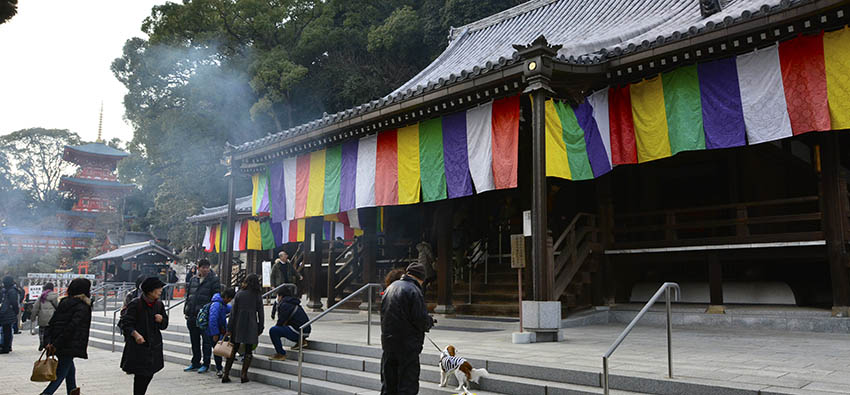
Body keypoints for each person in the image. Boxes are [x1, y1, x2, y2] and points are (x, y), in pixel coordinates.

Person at [380, 262, 435, 395]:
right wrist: (429, 322)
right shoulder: (414, 290)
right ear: (421, 278)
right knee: (407, 384)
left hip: (388, 343)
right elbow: (420, 319)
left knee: (389, 384)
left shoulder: (390, 288)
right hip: (407, 345)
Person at [118, 277, 169, 395]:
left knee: (148, 374)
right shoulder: (136, 304)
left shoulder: (159, 305)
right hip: (139, 347)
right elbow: (125, 323)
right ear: (150, 290)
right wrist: (135, 334)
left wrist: (161, 320)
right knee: (141, 375)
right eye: (158, 288)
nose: (161, 290)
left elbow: (164, 325)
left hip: (154, 346)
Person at [41, 278, 92, 395]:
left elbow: (52, 323)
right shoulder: (83, 306)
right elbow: (72, 328)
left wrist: (49, 342)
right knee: (60, 373)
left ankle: (72, 390)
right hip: (68, 344)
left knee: (69, 368)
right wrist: (56, 343)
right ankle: (46, 393)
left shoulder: (64, 302)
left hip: (58, 342)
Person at [222, 274, 263, 384]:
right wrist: (261, 327)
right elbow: (261, 313)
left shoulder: (239, 294)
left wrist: (229, 328)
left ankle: (226, 373)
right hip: (251, 324)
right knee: (248, 350)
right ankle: (244, 375)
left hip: (238, 324)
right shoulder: (257, 295)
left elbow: (233, 313)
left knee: (234, 348)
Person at [183, 259, 220, 373]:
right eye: (203, 267)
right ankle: (195, 362)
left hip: (204, 317)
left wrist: (210, 313)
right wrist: (186, 310)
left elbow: (216, 298)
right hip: (192, 315)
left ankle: (206, 363)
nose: (205, 269)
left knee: (206, 342)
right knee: (194, 341)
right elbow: (189, 296)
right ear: (198, 268)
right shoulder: (193, 280)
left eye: (207, 267)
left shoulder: (214, 280)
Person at [268, 286, 310, 361]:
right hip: (305, 331)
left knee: (273, 331)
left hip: (299, 332)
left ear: (280, 296)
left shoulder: (284, 304)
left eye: (277, 296)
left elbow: (280, 322)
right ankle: (302, 341)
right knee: (288, 325)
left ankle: (281, 354)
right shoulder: (292, 302)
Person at [204, 287, 235, 377]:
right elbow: (212, 320)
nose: (229, 301)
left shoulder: (222, 304)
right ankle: (219, 369)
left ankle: (222, 367)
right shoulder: (216, 305)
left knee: (221, 348)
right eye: (229, 299)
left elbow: (230, 309)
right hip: (213, 332)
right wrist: (215, 333)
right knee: (217, 350)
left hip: (220, 332)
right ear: (225, 297)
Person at [32, 282, 59, 351]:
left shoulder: (41, 296)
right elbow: (58, 307)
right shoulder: (55, 296)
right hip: (52, 317)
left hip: (42, 317)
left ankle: (42, 342)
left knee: (41, 331)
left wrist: (33, 317)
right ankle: (48, 344)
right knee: (50, 332)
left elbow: (35, 307)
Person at [0, 276, 19, 353]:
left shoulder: (11, 291)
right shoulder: (8, 291)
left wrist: (15, 311)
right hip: (7, 312)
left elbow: (14, 303)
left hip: (8, 313)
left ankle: (6, 347)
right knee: (6, 330)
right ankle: (6, 346)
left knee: (7, 331)